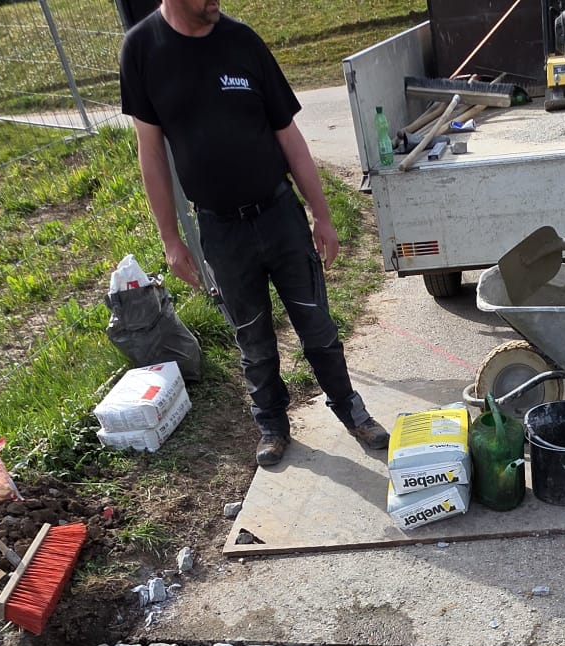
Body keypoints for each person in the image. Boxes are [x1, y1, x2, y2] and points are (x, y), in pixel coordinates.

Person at [121, 0, 390, 467]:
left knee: (317, 326)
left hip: (279, 214)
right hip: (220, 229)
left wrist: (322, 214)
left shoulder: (242, 41)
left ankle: (351, 410)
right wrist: (170, 238)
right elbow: (151, 152)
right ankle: (271, 425)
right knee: (253, 339)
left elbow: (289, 136)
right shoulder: (142, 49)